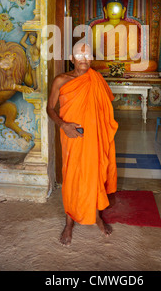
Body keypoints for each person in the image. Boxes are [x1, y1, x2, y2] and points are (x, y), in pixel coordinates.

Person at [47, 42, 118, 246]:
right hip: (71, 136)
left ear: (92, 59)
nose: (84, 60)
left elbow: (104, 109)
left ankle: (96, 217)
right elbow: (50, 108)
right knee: (72, 176)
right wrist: (63, 125)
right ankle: (69, 222)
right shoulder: (61, 80)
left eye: (88, 56)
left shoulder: (96, 79)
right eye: (80, 56)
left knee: (94, 173)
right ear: (72, 57)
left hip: (94, 135)